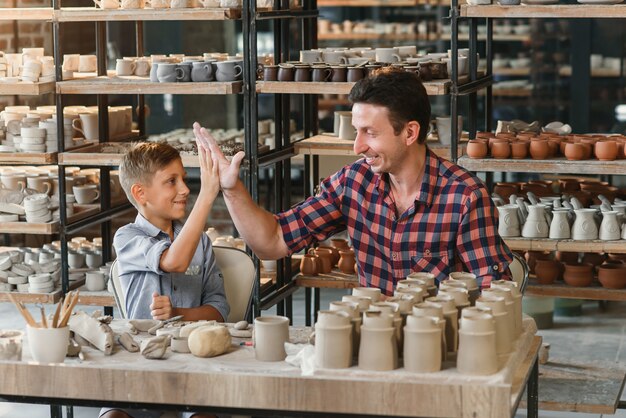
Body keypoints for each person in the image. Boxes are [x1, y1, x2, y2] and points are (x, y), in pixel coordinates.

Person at [194, 66, 513, 295]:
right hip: (372, 339)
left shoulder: (465, 196)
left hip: (439, 348)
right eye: (357, 130)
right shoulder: (352, 183)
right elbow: (272, 241)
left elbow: (495, 295)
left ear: (410, 132)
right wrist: (232, 189)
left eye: (370, 133)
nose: (358, 146)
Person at [100, 142, 228, 418]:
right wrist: (208, 195)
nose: (184, 189)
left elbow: (219, 311)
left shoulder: (202, 244)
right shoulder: (127, 237)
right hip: (138, 366)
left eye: (183, 178)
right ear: (140, 193)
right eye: (172, 181)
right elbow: (173, 261)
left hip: (193, 364)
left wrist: (178, 314)